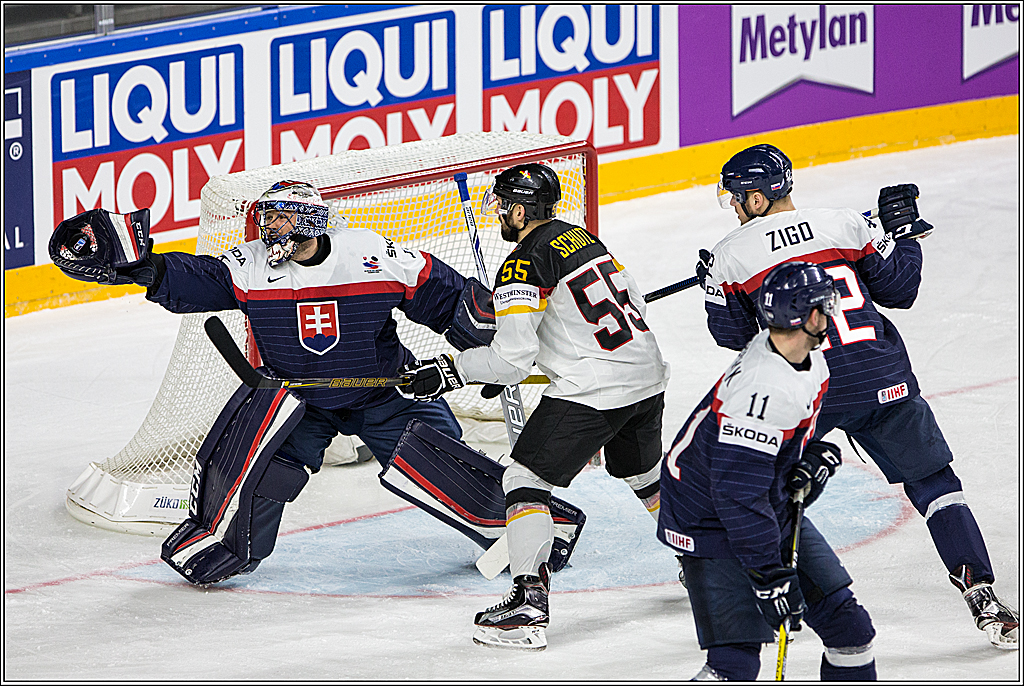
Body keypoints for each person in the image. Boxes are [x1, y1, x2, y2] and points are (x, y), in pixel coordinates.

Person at [48, 180, 504, 583]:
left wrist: (492, 349)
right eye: (268, 217)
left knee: (446, 467)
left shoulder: (369, 253)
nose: (272, 227)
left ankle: (519, 530)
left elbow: (444, 297)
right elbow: (202, 278)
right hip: (299, 401)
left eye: (284, 216)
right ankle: (221, 548)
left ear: (313, 219)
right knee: (261, 477)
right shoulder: (251, 264)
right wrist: (152, 270)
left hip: (383, 392)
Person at [696, 143, 1017, 650]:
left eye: (736, 198)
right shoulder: (845, 223)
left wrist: (712, 289)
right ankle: (982, 594)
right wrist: (905, 235)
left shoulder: (731, 254)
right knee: (935, 485)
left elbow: (734, 336)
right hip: (878, 376)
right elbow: (901, 289)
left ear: (757, 199)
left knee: (757, 490)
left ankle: (757, 595)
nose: (733, 207)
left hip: (807, 388)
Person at [398, 163, 671, 650]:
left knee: (524, 479)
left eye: (504, 204)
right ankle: (708, 558)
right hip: (646, 376)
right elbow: (635, 306)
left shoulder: (522, 264)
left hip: (595, 390)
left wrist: (450, 369)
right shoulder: (582, 239)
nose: (500, 213)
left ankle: (527, 605)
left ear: (522, 211)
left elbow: (511, 360)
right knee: (645, 476)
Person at [660, 261, 876, 681]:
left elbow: (771, 449)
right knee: (735, 664)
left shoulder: (799, 357)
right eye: (825, 306)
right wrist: (766, 574)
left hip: (756, 504)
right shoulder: (764, 387)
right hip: (709, 517)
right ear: (807, 316)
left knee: (849, 630)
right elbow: (736, 493)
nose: (831, 313)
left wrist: (806, 459)